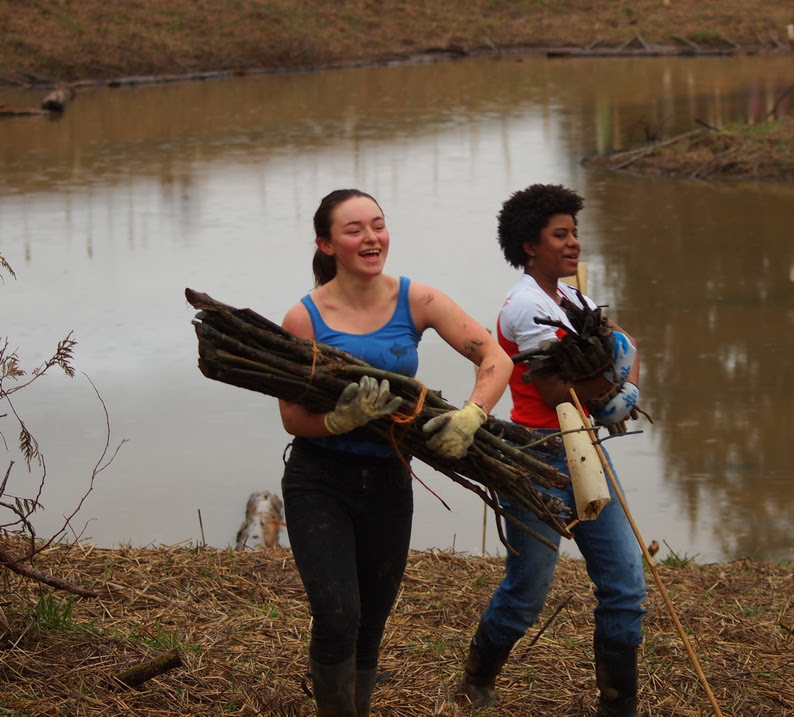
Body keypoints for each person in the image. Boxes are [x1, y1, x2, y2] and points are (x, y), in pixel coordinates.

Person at [279, 188, 513, 717]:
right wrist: (339, 420)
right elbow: (291, 417)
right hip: (320, 480)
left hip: (387, 478)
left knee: (371, 621)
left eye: (378, 225)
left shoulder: (418, 300)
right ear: (327, 243)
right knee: (338, 614)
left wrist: (472, 415)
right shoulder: (303, 318)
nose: (371, 238)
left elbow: (496, 359)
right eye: (354, 229)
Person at [458, 184, 647, 717]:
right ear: (528, 245)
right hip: (538, 456)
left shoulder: (575, 301)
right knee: (527, 593)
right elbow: (553, 392)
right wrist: (610, 394)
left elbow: (625, 343)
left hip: (585, 450)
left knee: (625, 585)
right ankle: (476, 680)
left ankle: (618, 705)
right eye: (559, 235)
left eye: (575, 233)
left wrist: (626, 384)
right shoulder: (526, 308)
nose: (573, 243)